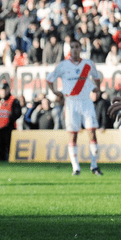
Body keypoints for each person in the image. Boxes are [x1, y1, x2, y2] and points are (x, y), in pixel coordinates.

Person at [47, 40, 103, 176]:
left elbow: (97, 77)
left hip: (86, 102)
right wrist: (55, 92)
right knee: (73, 135)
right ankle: (76, 167)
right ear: (69, 49)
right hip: (71, 102)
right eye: (72, 47)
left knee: (92, 132)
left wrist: (97, 88)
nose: (74, 49)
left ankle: (94, 165)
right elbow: (50, 79)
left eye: (77, 47)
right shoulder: (63, 65)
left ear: (80, 49)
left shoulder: (88, 64)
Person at [0, 81, 22, 161]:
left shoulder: (13, 100)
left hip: (8, 128)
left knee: (8, 150)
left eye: (4, 89)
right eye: (1, 90)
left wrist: (8, 121)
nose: (3, 92)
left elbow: (17, 113)